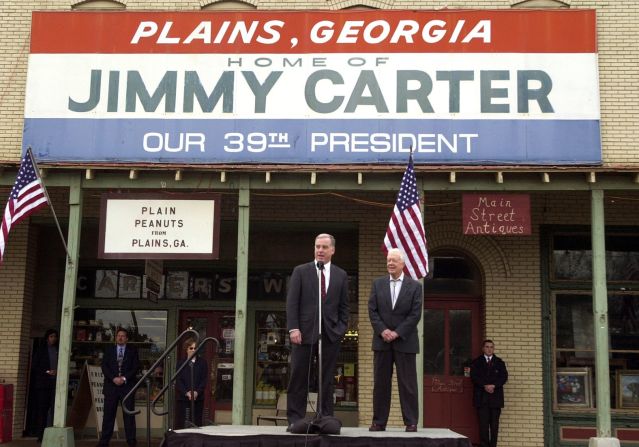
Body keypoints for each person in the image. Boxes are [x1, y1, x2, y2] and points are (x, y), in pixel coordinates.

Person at [286, 233, 349, 429]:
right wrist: (294, 328)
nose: (320, 250)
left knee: (327, 378)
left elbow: (344, 307)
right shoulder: (301, 271)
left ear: (332, 250)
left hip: (330, 336)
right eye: (317, 247)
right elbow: (292, 302)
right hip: (303, 334)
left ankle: (326, 418)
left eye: (324, 247)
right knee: (299, 376)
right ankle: (295, 419)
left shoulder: (341, 275)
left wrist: (340, 329)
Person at [368, 248, 423, 432]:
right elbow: (372, 311)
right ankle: (378, 422)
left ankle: (411, 422)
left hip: (405, 341)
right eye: (388, 260)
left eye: (394, 261)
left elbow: (415, 314)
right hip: (382, 342)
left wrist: (397, 333)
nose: (390, 263)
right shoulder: (377, 284)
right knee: (381, 384)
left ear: (403, 264)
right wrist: (383, 330)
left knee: (408, 384)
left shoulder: (415, 287)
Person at [98, 328, 139, 447]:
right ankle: (104, 441)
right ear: (116, 338)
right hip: (111, 386)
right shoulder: (109, 350)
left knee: (129, 415)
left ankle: (131, 441)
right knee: (108, 415)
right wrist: (113, 378)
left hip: (127, 387)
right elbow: (104, 366)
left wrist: (124, 378)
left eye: (123, 336)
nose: (120, 338)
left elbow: (135, 367)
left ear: (126, 338)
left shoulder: (132, 351)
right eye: (118, 336)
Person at [470, 339, 508, 447]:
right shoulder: (476, 362)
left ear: (493, 349)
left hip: (495, 399)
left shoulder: (500, 362)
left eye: (491, 347)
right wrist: (484, 386)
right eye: (487, 347)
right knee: (483, 427)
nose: (489, 349)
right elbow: (474, 377)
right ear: (483, 348)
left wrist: (494, 385)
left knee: (494, 426)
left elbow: (504, 377)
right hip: (481, 399)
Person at [31, 329, 59, 442]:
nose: (53, 338)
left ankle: (53, 433)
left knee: (54, 409)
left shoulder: (58, 350)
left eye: (55, 337)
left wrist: (56, 372)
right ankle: (40, 435)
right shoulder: (41, 350)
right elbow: (35, 366)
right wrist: (47, 372)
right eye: (51, 336)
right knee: (42, 409)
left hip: (55, 383)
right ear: (47, 337)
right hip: (43, 383)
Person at [175, 337, 208, 428]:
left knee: (196, 423)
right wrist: (187, 392)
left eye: (195, 348)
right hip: (184, 399)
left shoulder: (203, 363)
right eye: (191, 348)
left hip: (198, 399)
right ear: (186, 349)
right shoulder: (180, 363)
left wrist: (197, 392)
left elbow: (204, 379)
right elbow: (178, 380)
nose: (193, 350)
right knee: (184, 423)